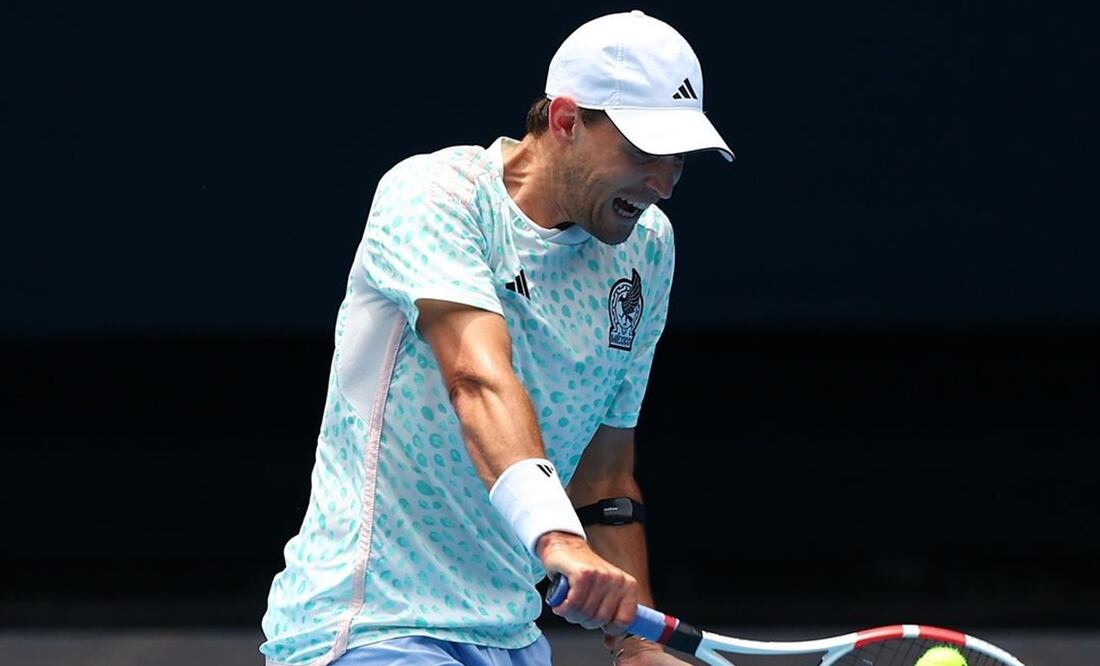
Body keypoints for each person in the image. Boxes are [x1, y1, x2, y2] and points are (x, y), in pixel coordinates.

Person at [260, 9, 734, 666]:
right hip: (373, 624)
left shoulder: (646, 250)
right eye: (642, 153)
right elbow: (477, 379)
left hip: (511, 637)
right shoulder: (435, 196)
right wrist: (556, 541)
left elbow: (604, 476)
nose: (663, 184)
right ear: (566, 121)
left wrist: (635, 642)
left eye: (677, 160)